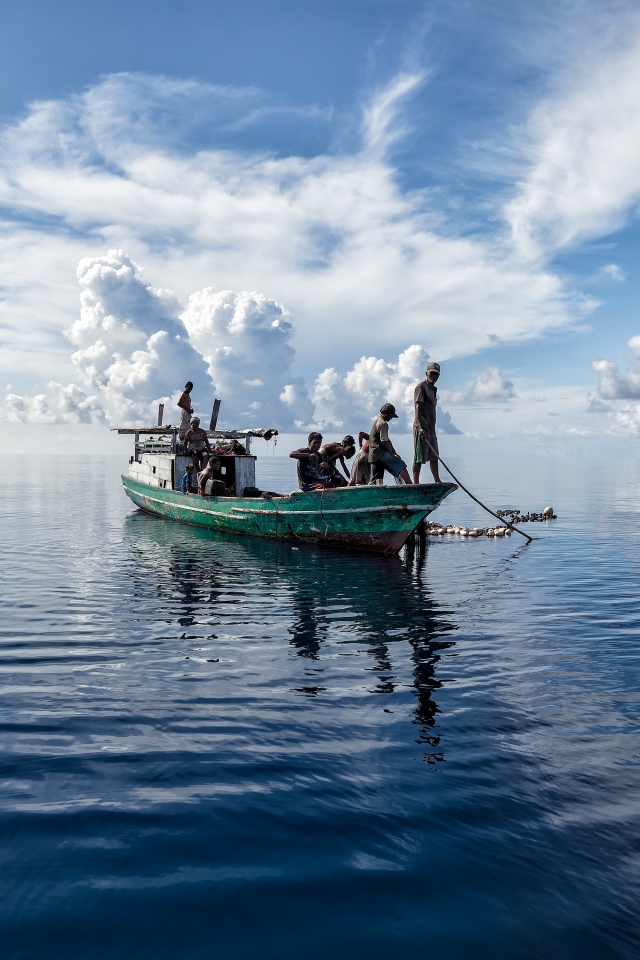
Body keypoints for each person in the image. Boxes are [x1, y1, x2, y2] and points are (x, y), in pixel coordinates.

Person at [368, 403, 413, 485]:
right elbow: (384, 442)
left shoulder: (377, 421)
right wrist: (392, 454)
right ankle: (410, 485)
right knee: (401, 464)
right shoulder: (383, 424)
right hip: (379, 453)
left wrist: (394, 453)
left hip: (373, 455)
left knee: (375, 479)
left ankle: (372, 492)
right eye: (390, 416)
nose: (391, 418)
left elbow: (387, 440)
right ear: (386, 414)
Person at [413, 361, 442, 484]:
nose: (434, 376)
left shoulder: (433, 389)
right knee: (419, 457)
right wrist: (420, 426)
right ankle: (415, 483)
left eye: (436, 374)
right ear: (427, 373)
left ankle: (437, 481)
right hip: (422, 427)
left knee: (434, 456)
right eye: (432, 373)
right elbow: (418, 407)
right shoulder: (421, 387)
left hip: (431, 429)